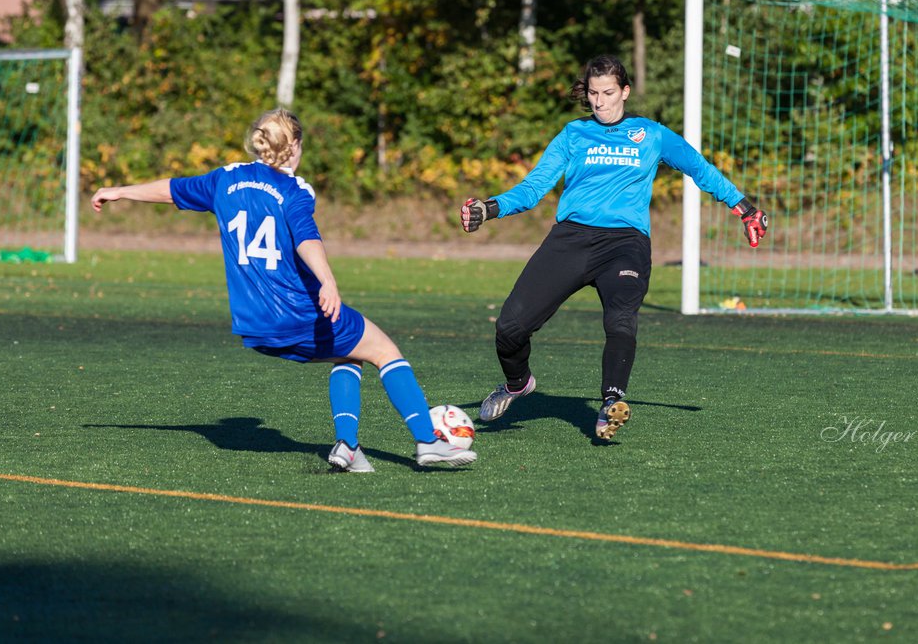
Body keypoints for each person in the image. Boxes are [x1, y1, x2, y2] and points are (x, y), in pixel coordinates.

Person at [91, 108, 476, 472]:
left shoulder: (222, 179)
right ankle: (428, 442)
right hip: (297, 313)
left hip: (254, 325)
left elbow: (172, 189)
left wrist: (120, 190)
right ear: (292, 148)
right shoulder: (294, 189)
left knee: (349, 355)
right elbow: (305, 236)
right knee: (386, 351)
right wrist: (328, 279)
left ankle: (349, 448)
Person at [459, 55, 768, 440]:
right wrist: (490, 208)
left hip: (625, 245)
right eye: (593, 93)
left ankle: (611, 403)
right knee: (509, 328)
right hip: (570, 241)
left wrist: (744, 208)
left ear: (624, 92)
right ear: (585, 94)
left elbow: (699, 168)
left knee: (621, 319)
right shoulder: (573, 134)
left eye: (608, 93)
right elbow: (533, 188)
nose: (600, 102)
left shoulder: (650, 134)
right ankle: (518, 383)